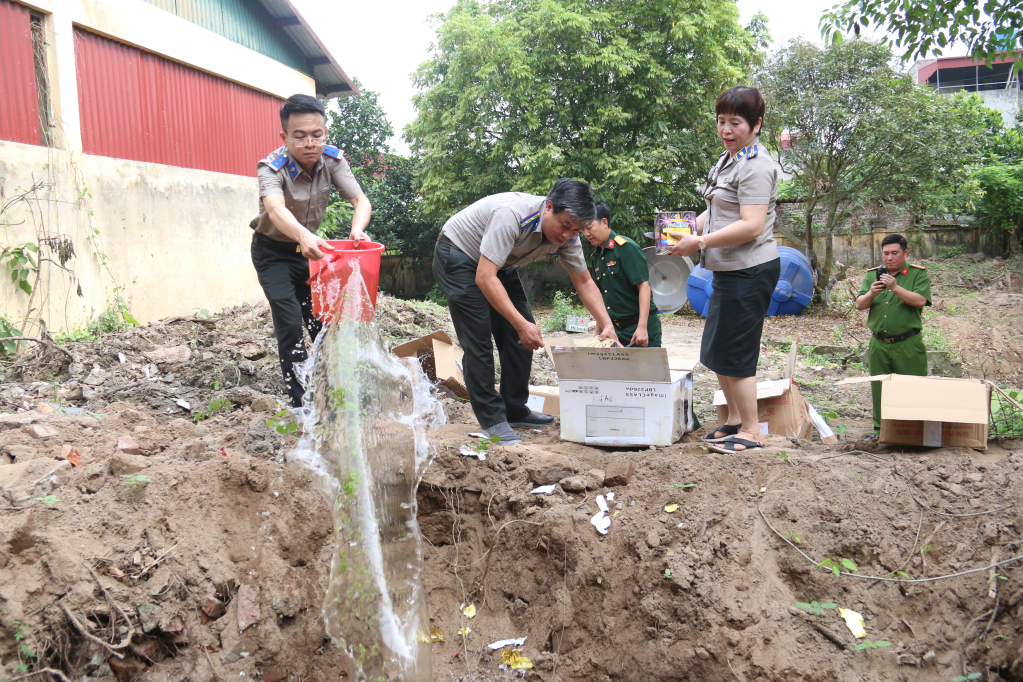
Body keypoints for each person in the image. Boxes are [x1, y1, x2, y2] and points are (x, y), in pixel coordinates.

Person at [432, 179, 619, 444]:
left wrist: (606, 323)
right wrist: (520, 324)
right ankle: (493, 420)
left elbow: (584, 281)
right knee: (479, 338)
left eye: (576, 230)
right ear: (549, 207)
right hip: (459, 254)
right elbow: (485, 277)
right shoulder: (512, 215)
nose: (567, 235)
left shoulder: (569, 236)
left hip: (501, 262)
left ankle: (514, 409)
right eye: (564, 226)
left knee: (524, 335)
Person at [666, 85, 780, 453]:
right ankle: (732, 419)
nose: (726, 129)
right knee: (716, 349)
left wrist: (698, 243)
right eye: (721, 121)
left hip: (750, 269)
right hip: (727, 270)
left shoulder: (758, 167)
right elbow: (716, 213)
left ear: (757, 124)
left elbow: (751, 225)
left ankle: (751, 431)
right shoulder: (728, 159)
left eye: (736, 123)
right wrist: (686, 229)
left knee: (736, 352)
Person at [249, 94, 372, 407]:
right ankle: (301, 406)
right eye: (299, 136)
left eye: (317, 135)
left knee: (322, 323)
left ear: (325, 133)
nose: (309, 143)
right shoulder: (271, 167)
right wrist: (303, 234)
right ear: (285, 137)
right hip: (273, 253)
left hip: (310, 253)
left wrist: (357, 228)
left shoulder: (332, 160)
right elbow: (275, 209)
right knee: (289, 324)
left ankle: (330, 394)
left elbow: (360, 200)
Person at [855, 233, 931, 435]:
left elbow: (920, 301)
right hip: (879, 344)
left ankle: (914, 431)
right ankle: (881, 431)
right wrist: (872, 293)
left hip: (908, 343)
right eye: (886, 253)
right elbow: (859, 305)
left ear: (905, 253)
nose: (890, 258)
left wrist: (895, 287)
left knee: (912, 387)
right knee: (880, 388)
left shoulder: (917, 274)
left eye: (895, 253)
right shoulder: (873, 275)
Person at [581, 202, 661, 347]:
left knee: (644, 370)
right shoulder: (596, 256)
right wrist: (598, 333)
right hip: (615, 330)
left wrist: (642, 328)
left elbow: (644, 287)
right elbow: (600, 298)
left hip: (639, 326)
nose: (586, 234)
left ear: (604, 222)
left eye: (589, 227)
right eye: (583, 230)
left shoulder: (625, 247)